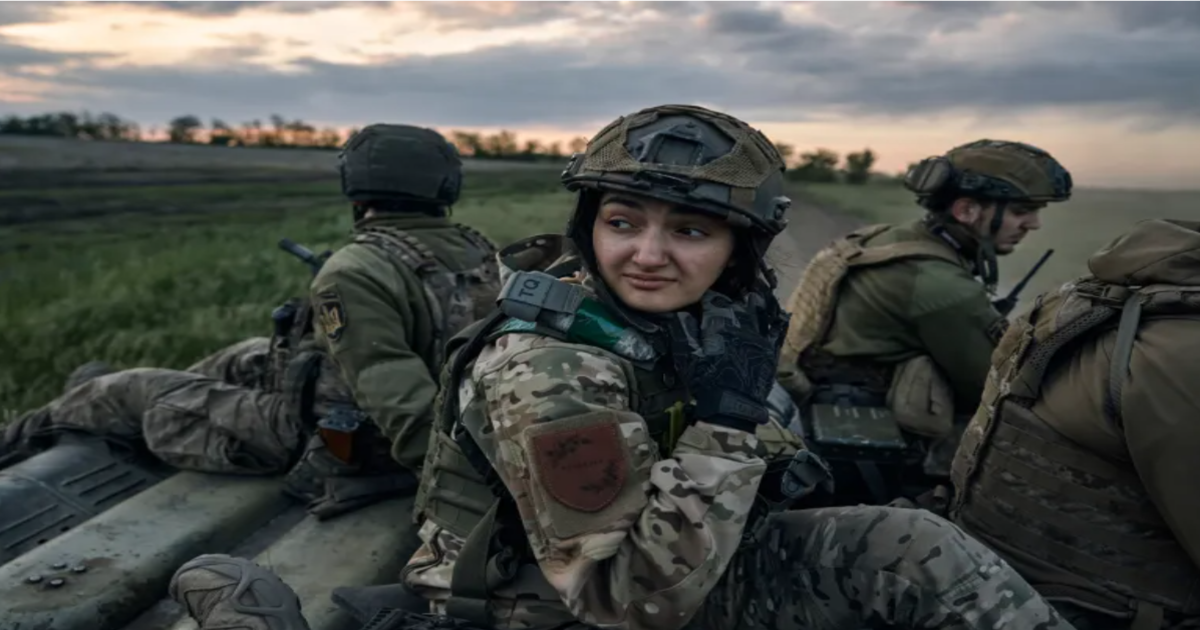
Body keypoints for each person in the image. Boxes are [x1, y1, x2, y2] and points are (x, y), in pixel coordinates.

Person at [169, 104, 1077, 630]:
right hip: (547, 605)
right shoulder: (549, 370)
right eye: (621, 222)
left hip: (670, 552)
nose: (648, 253)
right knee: (909, 552)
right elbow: (623, 601)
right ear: (589, 227)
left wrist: (762, 437)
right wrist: (730, 429)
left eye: (690, 230)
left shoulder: (695, 319)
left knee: (911, 538)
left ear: (739, 247)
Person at [0, 123, 501, 521]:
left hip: (328, 438)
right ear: (446, 185)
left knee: (118, 390)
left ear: (356, 184)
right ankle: (153, 397)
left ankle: (48, 426)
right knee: (247, 353)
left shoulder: (356, 268)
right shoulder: (482, 252)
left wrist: (462, 497)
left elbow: (393, 390)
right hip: (375, 410)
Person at [775, 138, 1073, 509]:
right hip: (862, 445)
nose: (1033, 223)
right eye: (1021, 210)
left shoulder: (884, 238)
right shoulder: (941, 285)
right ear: (966, 210)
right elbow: (993, 388)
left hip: (812, 404)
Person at [950, 218, 1200, 630]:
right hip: (1088, 610)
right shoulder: (1181, 350)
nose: (1034, 222)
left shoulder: (1075, 300)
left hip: (994, 574)